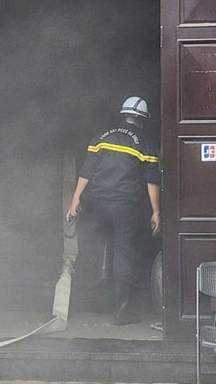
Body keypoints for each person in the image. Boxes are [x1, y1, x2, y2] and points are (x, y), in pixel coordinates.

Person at [66, 96, 160, 326]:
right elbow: (152, 183)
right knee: (124, 253)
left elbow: (86, 171)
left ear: (124, 114)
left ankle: (90, 301)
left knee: (98, 245)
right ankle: (121, 311)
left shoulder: (102, 137)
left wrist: (75, 199)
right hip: (124, 206)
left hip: (98, 204)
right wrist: (156, 211)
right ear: (142, 119)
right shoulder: (144, 143)